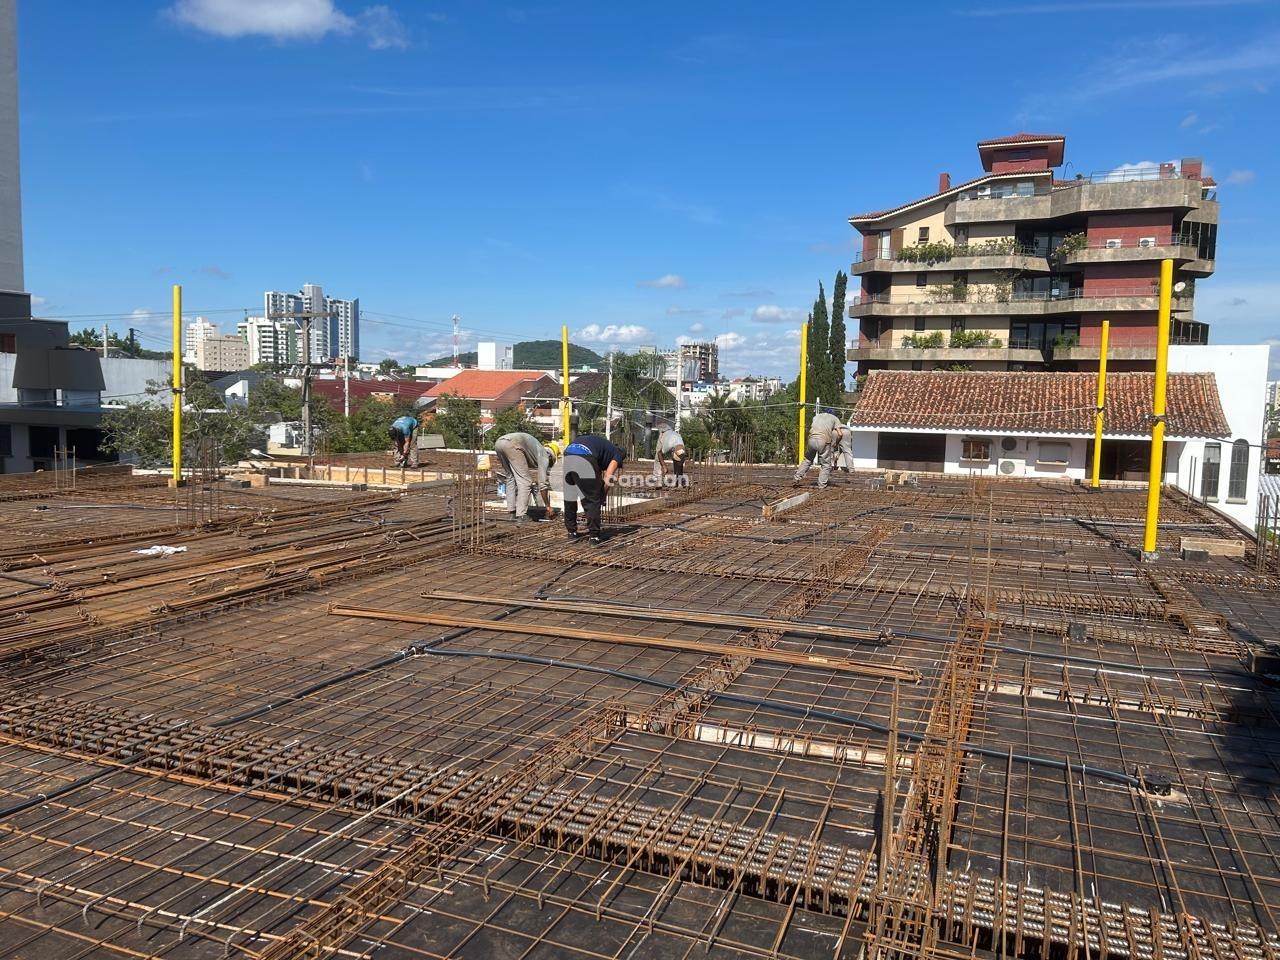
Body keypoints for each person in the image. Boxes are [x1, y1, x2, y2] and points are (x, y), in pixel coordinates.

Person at [562, 433, 625, 544]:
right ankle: (594, 536)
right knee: (592, 500)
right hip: (585, 457)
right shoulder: (618, 454)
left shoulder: (603, 446)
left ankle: (571, 532)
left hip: (568, 454)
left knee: (570, 497)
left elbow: (597, 472)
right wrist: (602, 496)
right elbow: (608, 477)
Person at [493, 433, 560, 525]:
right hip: (514, 444)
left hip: (499, 442)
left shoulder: (537, 449)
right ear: (552, 456)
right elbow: (543, 484)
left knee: (510, 477)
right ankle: (521, 515)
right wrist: (548, 506)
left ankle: (512, 512)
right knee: (525, 482)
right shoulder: (544, 456)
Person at [794, 409, 846, 489]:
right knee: (825, 464)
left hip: (811, 439)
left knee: (807, 460)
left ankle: (796, 478)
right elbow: (840, 434)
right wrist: (836, 443)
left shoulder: (816, 416)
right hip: (823, 440)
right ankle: (822, 485)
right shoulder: (834, 418)